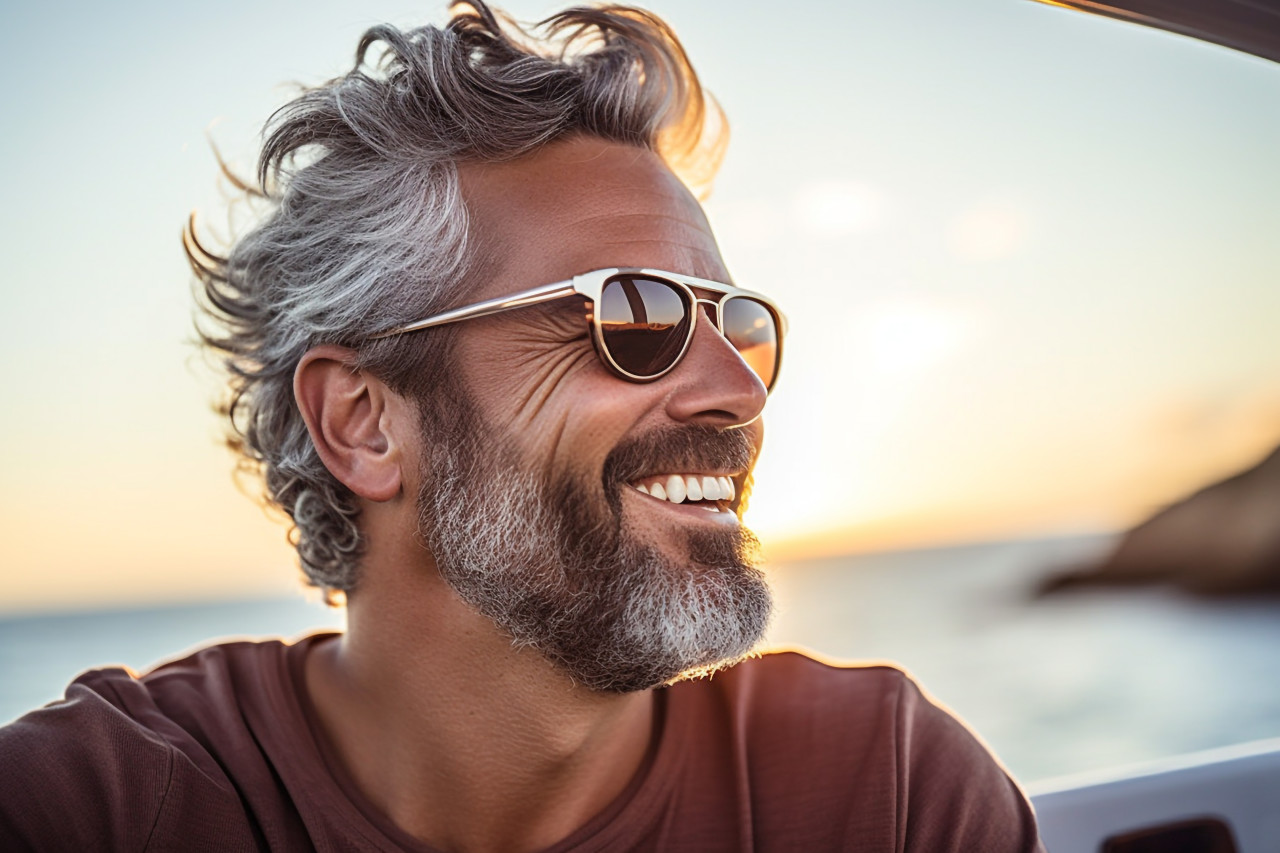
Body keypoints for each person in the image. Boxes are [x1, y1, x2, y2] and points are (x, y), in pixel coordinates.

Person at [0, 3, 1044, 850]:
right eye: (636, 318)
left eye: (736, 323)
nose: (737, 390)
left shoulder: (884, 791)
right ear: (363, 422)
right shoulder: (93, 810)